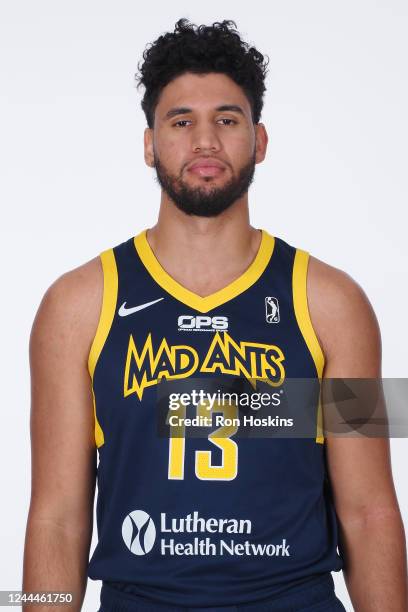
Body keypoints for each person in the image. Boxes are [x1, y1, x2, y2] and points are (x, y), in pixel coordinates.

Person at [23, 18, 407, 612]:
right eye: (182, 122)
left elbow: (370, 509)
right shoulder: (76, 305)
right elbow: (55, 518)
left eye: (226, 120)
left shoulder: (335, 303)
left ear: (259, 140)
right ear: (150, 143)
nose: (205, 141)